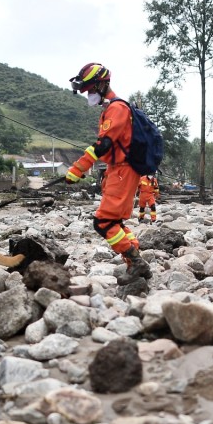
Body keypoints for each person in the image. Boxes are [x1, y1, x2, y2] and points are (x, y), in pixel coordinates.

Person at [64, 63, 147, 273]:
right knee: (115, 222)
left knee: (103, 223)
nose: (89, 94)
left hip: (123, 171)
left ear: (102, 84)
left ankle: (137, 263)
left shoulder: (117, 108)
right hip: (118, 171)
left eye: (91, 89)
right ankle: (135, 261)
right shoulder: (111, 108)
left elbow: (103, 145)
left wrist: (77, 169)